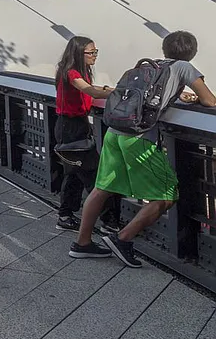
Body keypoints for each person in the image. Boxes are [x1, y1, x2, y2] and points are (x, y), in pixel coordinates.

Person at [72, 31, 216, 266]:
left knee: (102, 189)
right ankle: (122, 239)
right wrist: (198, 99)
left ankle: (82, 243)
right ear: (192, 51)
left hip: (114, 132)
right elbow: (210, 100)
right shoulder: (184, 67)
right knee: (166, 195)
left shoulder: (151, 65)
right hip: (138, 137)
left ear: (165, 49)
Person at [52, 36, 114, 232]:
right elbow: (90, 92)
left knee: (73, 173)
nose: (95, 56)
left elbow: (91, 89)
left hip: (72, 126)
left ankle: (65, 215)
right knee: (94, 174)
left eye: (96, 52)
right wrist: (120, 92)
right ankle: (108, 222)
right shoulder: (71, 72)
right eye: (91, 52)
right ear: (79, 53)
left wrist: (107, 89)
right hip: (71, 128)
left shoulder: (74, 71)